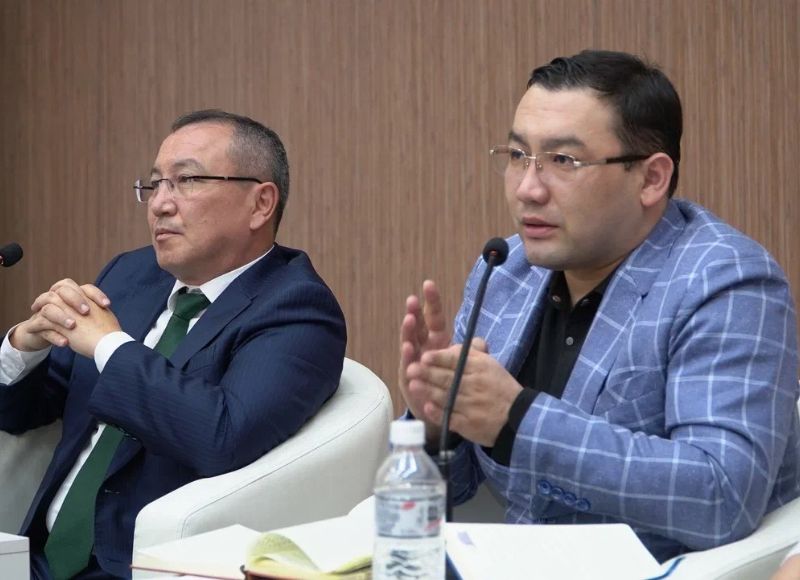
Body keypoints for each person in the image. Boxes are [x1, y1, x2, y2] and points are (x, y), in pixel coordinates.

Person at [399, 50, 799, 562]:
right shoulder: (507, 269)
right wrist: (439, 424)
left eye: (563, 161)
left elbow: (722, 496)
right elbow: (452, 491)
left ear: (651, 179)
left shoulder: (727, 281)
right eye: (518, 155)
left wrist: (517, 419)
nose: (528, 189)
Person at [0, 110, 347, 578]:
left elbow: (222, 435)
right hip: (33, 560)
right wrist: (25, 347)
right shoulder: (130, 275)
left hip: (140, 568)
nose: (160, 204)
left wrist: (110, 346)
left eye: (187, 181)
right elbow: (24, 413)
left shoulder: (297, 309)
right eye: (154, 184)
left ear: (260, 203)